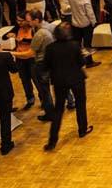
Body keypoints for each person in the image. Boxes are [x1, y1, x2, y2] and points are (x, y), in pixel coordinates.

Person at [42, 23, 92, 151]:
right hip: (77, 79)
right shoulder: (75, 45)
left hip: (59, 82)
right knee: (81, 104)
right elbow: (82, 62)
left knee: (58, 110)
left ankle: (52, 141)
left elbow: (45, 66)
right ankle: (82, 129)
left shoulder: (50, 48)